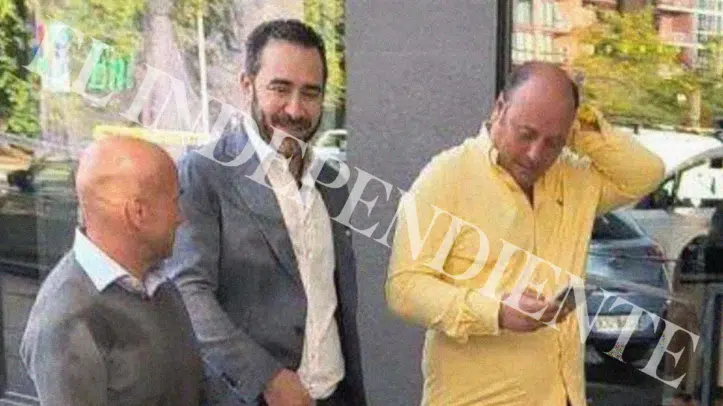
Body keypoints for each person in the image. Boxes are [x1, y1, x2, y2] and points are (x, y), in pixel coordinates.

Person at [385, 62, 665, 406]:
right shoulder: (447, 176)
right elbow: (405, 288)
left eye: (553, 142)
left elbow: (646, 172)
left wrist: (579, 124)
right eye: (527, 134)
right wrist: (496, 312)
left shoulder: (574, 180)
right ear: (500, 108)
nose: (536, 154)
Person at [163, 19, 365, 406]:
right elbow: (188, 293)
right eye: (280, 88)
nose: (295, 109)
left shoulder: (331, 180)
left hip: (334, 393)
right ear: (247, 85)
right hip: (253, 396)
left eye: (310, 93)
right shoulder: (205, 173)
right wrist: (267, 378)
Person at [20, 136, 203, 406]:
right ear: (137, 214)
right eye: (175, 202)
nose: (180, 217)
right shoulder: (67, 320)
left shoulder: (158, 283)